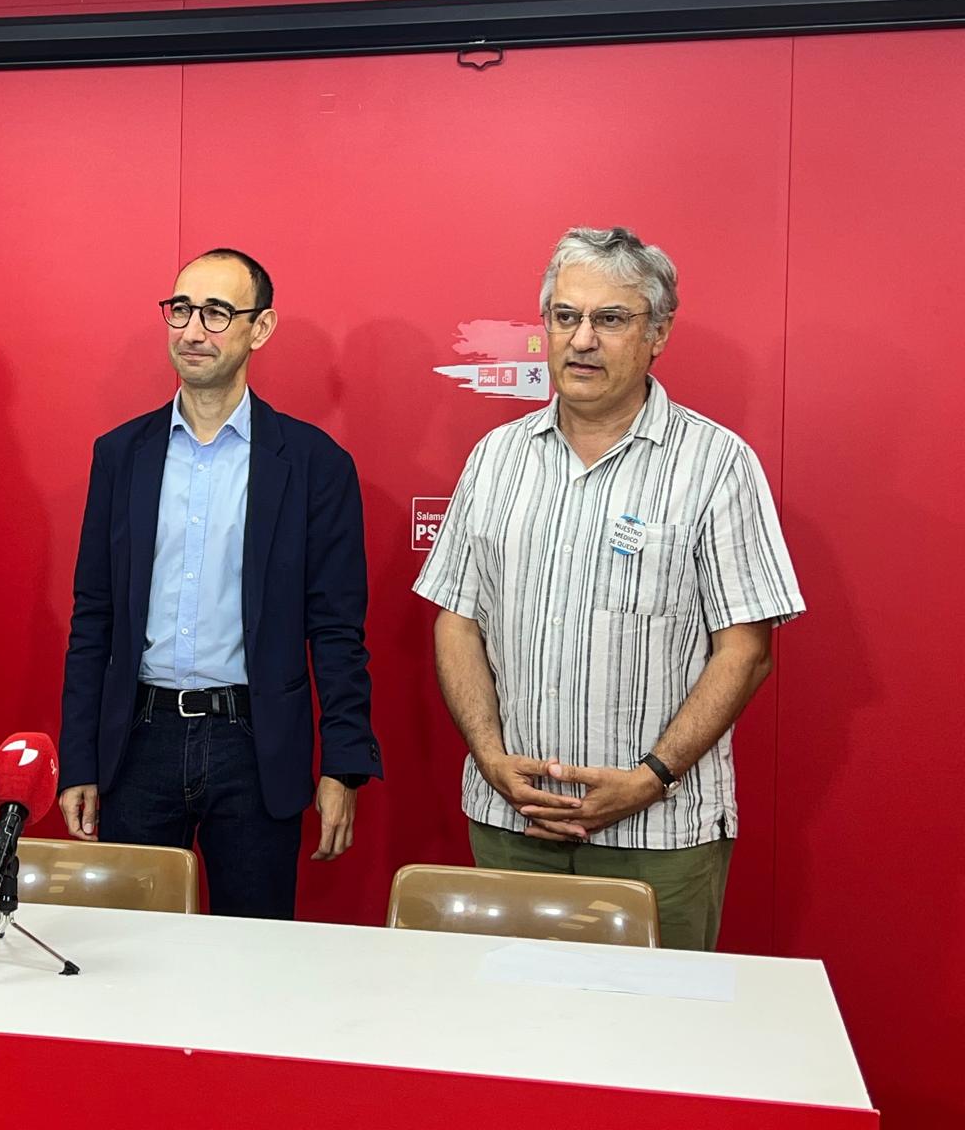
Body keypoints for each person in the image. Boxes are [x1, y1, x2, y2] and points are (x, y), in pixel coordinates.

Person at [413, 225, 804, 950]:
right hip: (512, 822)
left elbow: (746, 649)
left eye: (610, 319)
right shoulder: (496, 460)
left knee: (652, 1047)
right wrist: (492, 758)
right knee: (510, 1039)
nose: (582, 339)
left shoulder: (717, 465)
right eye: (565, 317)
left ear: (658, 333)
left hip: (659, 834)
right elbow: (457, 619)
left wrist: (651, 777)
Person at [57, 247, 382, 919]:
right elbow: (94, 618)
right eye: (180, 310)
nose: (192, 330)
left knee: (254, 963)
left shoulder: (314, 465)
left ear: (259, 329)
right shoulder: (121, 456)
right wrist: (79, 760)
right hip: (138, 744)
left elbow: (337, 631)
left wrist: (343, 764)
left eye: (215, 312)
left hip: (255, 747)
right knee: (129, 961)